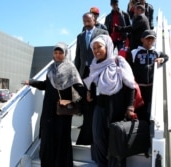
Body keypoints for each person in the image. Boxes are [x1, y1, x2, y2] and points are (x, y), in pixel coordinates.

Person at [23, 42, 86, 167]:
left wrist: (85, 97)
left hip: (62, 109)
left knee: (61, 136)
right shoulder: (51, 68)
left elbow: (78, 86)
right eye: (55, 53)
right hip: (49, 108)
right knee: (47, 135)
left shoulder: (70, 68)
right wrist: (32, 82)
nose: (57, 55)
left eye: (60, 53)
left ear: (65, 53)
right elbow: (46, 85)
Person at [83, 34, 136, 167]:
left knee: (115, 141)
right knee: (98, 139)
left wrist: (130, 107)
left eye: (99, 47)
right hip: (99, 107)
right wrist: (89, 93)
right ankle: (102, 164)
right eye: (94, 48)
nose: (96, 50)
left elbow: (131, 86)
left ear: (107, 46)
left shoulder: (118, 62)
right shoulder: (94, 65)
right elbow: (95, 86)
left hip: (116, 107)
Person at [74, 12, 108, 145]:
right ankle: (87, 132)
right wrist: (77, 73)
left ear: (94, 20)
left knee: (96, 101)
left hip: (98, 71)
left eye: (89, 21)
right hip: (84, 72)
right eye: (84, 22)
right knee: (86, 102)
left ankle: (96, 130)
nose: (86, 24)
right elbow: (78, 56)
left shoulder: (102, 33)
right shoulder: (80, 36)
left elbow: (107, 51)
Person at [128, 30, 169, 122]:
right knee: (139, 106)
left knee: (150, 107)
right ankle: (139, 126)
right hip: (139, 86)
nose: (150, 41)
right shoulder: (134, 52)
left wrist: (161, 59)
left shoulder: (156, 52)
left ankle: (147, 126)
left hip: (151, 86)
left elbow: (166, 57)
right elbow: (129, 66)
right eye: (147, 39)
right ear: (142, 39)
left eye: (152, 39)